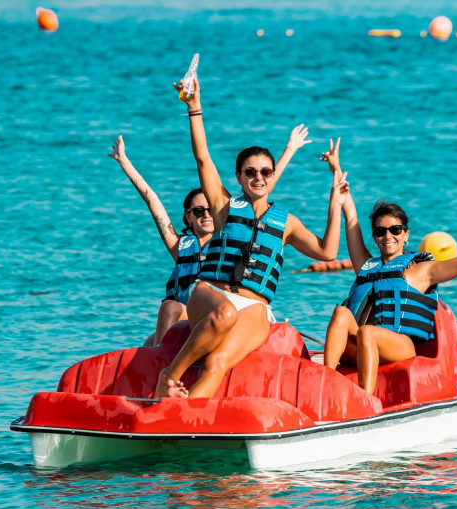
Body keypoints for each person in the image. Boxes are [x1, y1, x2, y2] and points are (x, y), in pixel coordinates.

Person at [153, 77, 349, 399]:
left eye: (265, 172)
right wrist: (194, 108)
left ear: (273, 176)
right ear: (240, 177)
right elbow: (203, 157)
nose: (258, 177)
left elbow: (328, 252)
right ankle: (168, 377)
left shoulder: (285, 221)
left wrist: (335, 203)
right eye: (250, 172)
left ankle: (187, 416)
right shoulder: (224, 206)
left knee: (218, 361)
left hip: (255, 309)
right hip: (211, 293)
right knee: (225, 314)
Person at [320, 139, 457, 395]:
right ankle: (324, 384)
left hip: (400, 346)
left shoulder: (421, 270)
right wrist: (336, 169)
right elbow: (350, 217)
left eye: (395, 230)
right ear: (374, 236)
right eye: (380, 231)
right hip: (361, 345)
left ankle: (365, 400)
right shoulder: (367, 265)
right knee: (341, 314)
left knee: (369, 333)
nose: (388, 236)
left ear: (406, 234)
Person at [109, 126, 312, 346]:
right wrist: (124, 162)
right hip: (188, 316)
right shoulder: (180, 247)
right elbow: (153, 202)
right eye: (198, 211)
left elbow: (261, 187)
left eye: (209, 210)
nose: (206, 215)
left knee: (169, 310)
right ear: (188, 217)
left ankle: (161, 361)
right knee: (155, 332)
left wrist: (289, 149)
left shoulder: (229, 233)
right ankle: (156, 362)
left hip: (220, 314)